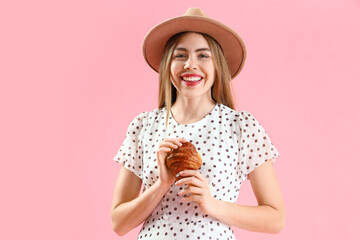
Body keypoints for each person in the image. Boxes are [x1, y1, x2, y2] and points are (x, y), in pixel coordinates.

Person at [111, 7, 285, 239]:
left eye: (203, 55)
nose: (190, 65)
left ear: (217, 66)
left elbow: (275, 219)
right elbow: (119, 223)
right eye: (180, 55)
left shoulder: (241, 126)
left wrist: (211, 204)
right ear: (167, 65)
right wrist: (162, 184)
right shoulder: (143, 126)